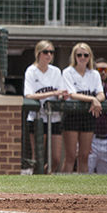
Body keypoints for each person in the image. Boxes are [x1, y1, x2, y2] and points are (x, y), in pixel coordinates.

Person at [23, 40, 68, 173]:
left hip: (54, 117)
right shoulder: (31, 71)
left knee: (55, 158)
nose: (49, 55)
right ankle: (36, 180)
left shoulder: (55, 71)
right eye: (46, 52)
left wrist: (62, 95)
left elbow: (60, 91)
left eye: (51, 52)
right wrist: (53, 93)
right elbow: (28, 95)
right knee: (38, 156)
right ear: (38, 53)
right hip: (37, 118)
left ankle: (46, 178)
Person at [61, 43, 105, 174]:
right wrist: (93, 99)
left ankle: (82, 187)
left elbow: (100, 93)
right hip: (72, 114)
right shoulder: (68, 72)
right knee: (70, 156)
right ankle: (63, 188)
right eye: (79, 55)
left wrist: (97, 99)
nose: (82, 58)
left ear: (89, 57)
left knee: (84, 155)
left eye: (85, 55)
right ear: (74, 56)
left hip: (88, 115)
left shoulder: (94, 74)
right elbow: (72, 94)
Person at [88, 58, 107, 174]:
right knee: (87, 171)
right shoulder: (89, 89)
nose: (103, 72)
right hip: (90, 136)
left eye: (105, 69)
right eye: (100, 69)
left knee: (105, 174)